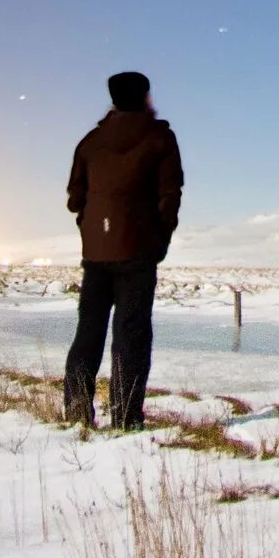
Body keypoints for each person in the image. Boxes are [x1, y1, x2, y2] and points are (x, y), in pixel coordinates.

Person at [62, 69, 182, 429]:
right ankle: (126, 416)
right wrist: (160, 238)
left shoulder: (91, 142)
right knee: (131, 333)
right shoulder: (160, 138)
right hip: (139, 249)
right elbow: (170, 195)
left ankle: (78, 412)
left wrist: (93, 224)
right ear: (145, 97)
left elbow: (74, 198)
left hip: (96, 251)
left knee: (89, 331)